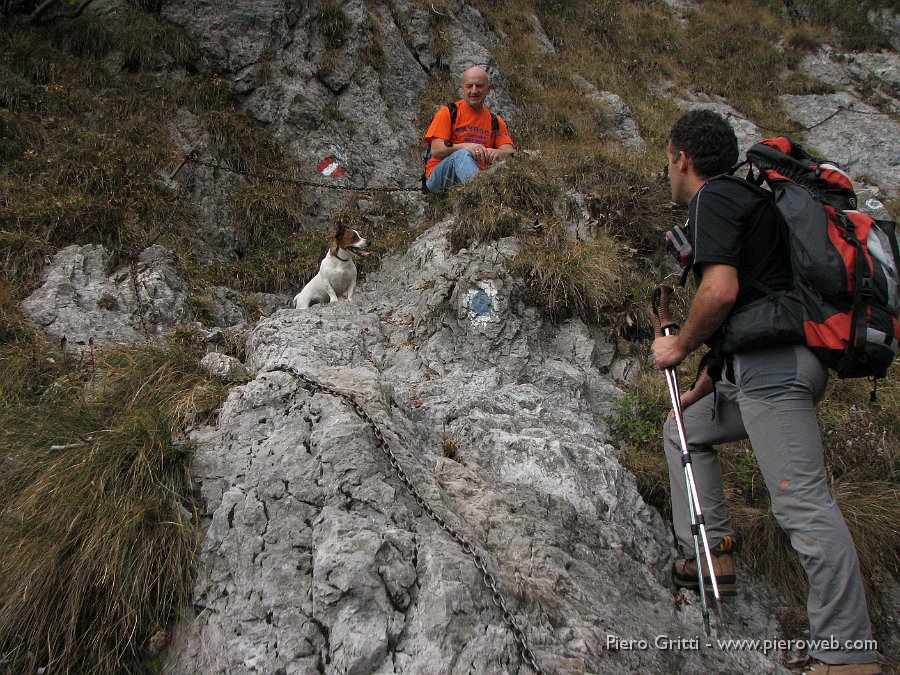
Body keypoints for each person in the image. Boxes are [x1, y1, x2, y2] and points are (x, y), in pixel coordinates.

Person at [652, 109, 881, 675]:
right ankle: (713, 555)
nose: (668, 170)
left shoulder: (714, 200)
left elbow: (722, 291)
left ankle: (848, 654)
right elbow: (755, 303)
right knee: (686, 430)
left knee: (802, 504)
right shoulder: (747, 202)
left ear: (682, 157)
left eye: (668, 159)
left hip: (774, 371)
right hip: (765, 364)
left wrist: (678, 345)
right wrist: (703, 386)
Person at [423, 65, 515, 193]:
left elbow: (510, 152)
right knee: (462, 155)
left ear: (488, 89)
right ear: (462, 89)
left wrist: (497, 152)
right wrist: (466, 147)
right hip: (439, 177)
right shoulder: (447, 113)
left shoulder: (495, 121)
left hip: (478, 173)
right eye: (469, 86)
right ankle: (482, 194)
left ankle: (480, 189)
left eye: (479, 86)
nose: (474, 90)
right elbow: (436, 150)